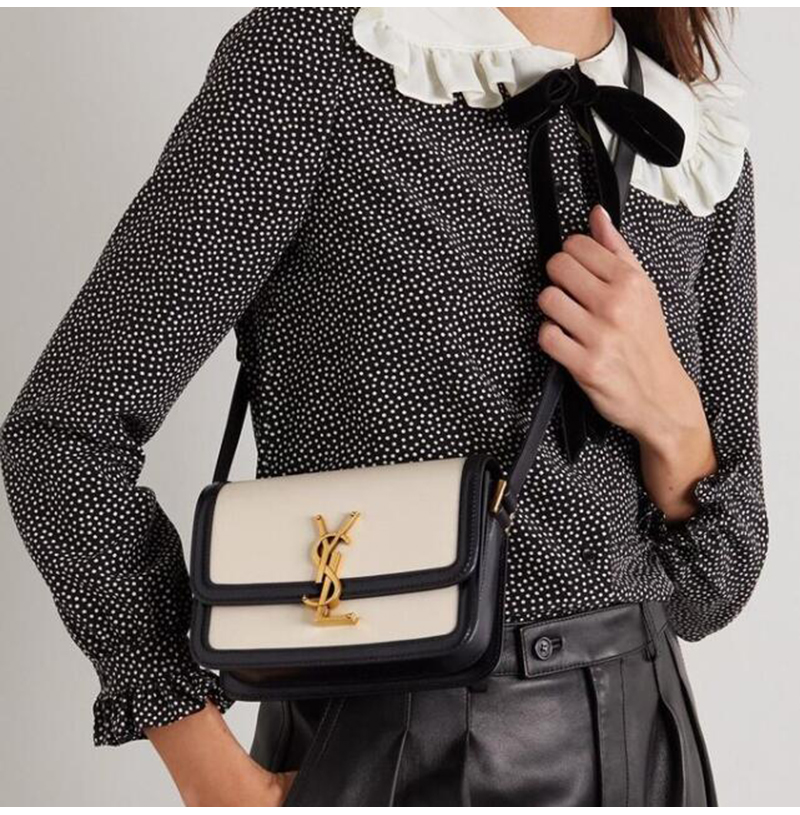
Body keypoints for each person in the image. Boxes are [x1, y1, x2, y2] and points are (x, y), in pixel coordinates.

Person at [0, 6, 769, 807]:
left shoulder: (693, 141)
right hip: (389, 746)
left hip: (647, 747)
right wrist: (216, 776)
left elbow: (711, 589)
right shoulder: (319, 62)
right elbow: (62, 435)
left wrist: (670, 410)